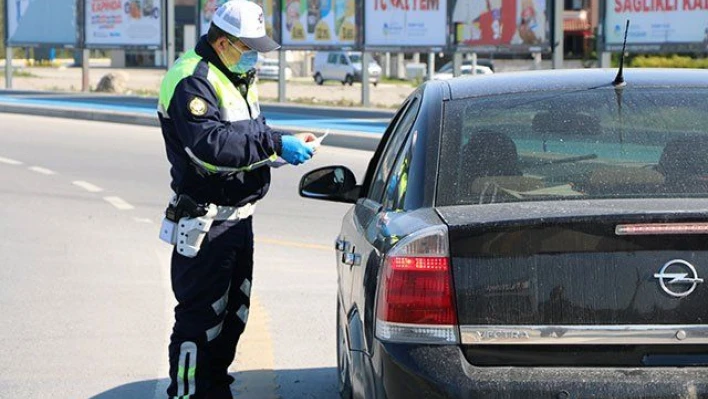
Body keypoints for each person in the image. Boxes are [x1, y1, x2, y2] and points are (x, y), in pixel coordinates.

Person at [156, 1, 316, 397]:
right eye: (249, 47)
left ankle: (214, 386)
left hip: (239, 220)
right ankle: (189, 392)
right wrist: (274, 143)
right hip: (206, 225)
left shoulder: (236, 74)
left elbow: (248, 135)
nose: (255, 56)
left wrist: (279, 146)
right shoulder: (192, 79)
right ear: (224, 42)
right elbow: (210, 146)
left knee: (233, 315)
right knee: (201, 320)